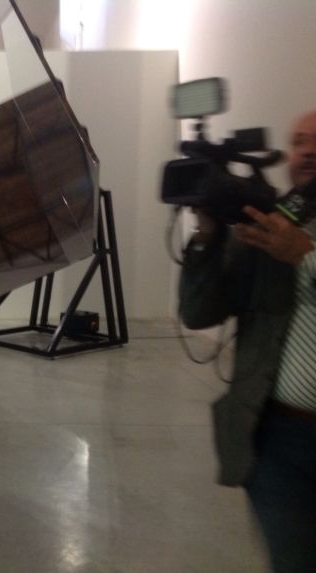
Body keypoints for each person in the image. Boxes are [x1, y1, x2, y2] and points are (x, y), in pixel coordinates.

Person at [179, 110, 316, 572]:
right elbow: (200, 313)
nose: (308, 151)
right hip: (277, 439)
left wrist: (306, 256)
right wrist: (207, 236)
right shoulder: (267, 228)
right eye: (299, 142)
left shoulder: (290, 241)